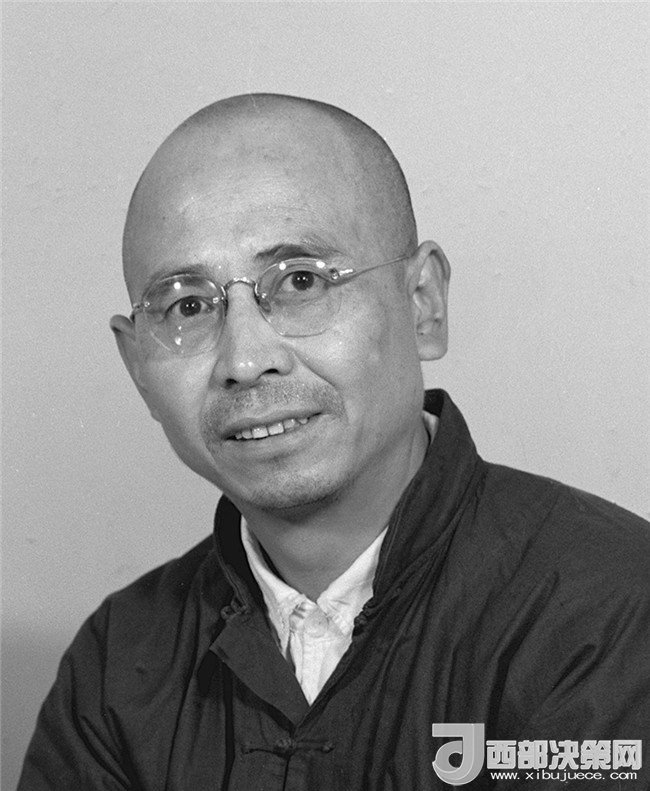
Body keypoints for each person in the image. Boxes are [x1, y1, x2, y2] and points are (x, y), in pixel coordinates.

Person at [19, 94, 649, 790]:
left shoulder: (609, 610)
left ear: (423, 304)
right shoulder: (118, 665)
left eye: (300, 281)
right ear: (137, 365)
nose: (245, 359)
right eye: (188, 305)